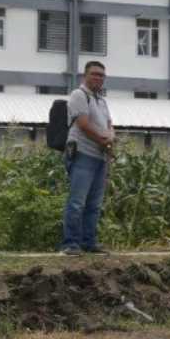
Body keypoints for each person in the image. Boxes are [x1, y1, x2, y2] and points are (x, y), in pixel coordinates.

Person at [61, 61, 114, 256]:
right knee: (77, 202)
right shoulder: (79, 95)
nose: (98, 78)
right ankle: (70, 244)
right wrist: (104, 140)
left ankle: (89, 243)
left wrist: (110, 139)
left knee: (94, 204)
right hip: (83, 154)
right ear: (85, 75)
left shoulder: (101, 100)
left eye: (101, 75)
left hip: (100, 156)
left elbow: (109, 124)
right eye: (94, 74)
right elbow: (83, 124)